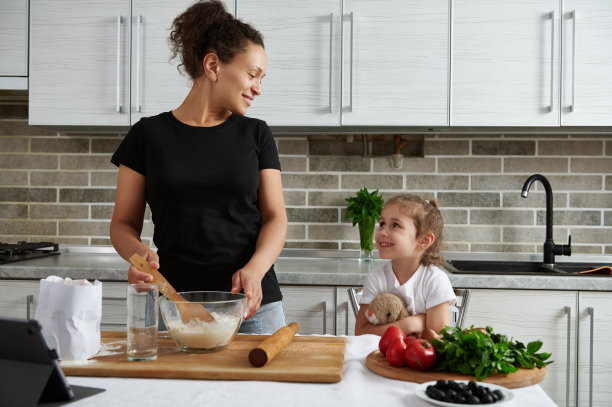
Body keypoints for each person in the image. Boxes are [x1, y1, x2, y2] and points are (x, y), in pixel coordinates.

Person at [109, 0, 288, 334]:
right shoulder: (147, 135)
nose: (258, 88)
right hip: (174, 304)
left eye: (261, 78)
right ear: (213, 66)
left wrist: (256, 268)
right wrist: (138, 256)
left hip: (252, 307)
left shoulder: (256, 134)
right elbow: (122, 223)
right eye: (252, 75)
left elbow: (276, 216)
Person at [355, 194, 455, 336]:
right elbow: (360, 332)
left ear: (424, 240)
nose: (383, 232)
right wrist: (409, 324)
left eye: (395, 225)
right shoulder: (376, 278)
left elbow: (437, 340)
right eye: (382, 223)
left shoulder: (435, 281)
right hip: (378, 357)